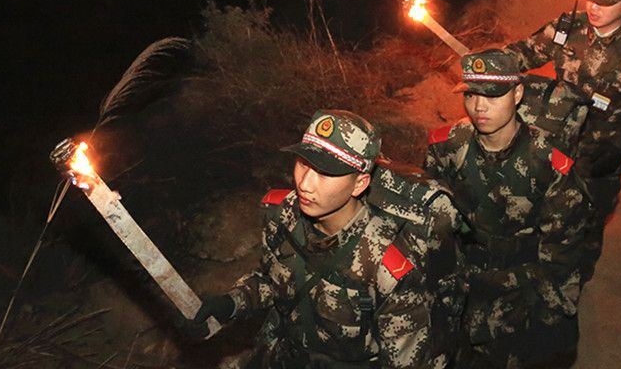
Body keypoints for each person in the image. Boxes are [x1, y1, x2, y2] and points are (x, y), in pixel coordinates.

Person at [189, 110, 460, 368]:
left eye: (326, 172)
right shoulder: (283, 214)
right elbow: (273, 279)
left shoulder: (386, 268)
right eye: (304, 163)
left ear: (359, 184)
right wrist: (232, 302)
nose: (305, 184)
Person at [503, 0, 621, 281]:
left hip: (602, 153)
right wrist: (490, 68)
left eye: (606, 2)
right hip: (555, 142)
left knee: (590, 217)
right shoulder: (567, 28)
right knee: (543, 208)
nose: (594, 7)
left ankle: (581, 271)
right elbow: (524, 52)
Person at [425, 50, 588, 368]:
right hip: (461, 283)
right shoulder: (447, 146)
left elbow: (561, 255)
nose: (479, 107)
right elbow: (432, 222)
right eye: (470, 95)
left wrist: (546, 312)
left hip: (521, 290)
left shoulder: (547, 162)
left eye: (492, 96)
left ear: (517, 94)